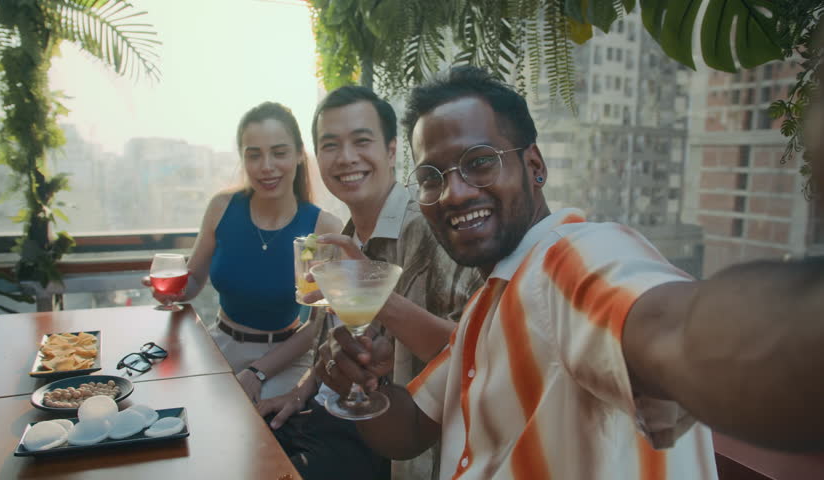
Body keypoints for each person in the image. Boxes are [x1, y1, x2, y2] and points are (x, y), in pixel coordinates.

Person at [316, 66, 824, 480]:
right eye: (432, 176)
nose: (454, 192)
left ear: (534, 165)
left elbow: (683, 335)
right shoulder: (489, 304)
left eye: (479, 162)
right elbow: (410, 432)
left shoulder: (570, 259)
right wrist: (366, 390)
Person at [255, 86, 483, 480]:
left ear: (392, 151)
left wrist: (381, 298)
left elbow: (474, 353)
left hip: (385, 440)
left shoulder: (428, 231)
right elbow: (327, 335)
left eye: (361, 141)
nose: (346, 158)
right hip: (325, 414)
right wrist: (299, 392)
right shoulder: (342, 236)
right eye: (330, 146)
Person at [146, 102, 343, 402]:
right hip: (220, 345)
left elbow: (317, 326)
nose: (266, 166)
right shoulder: (222, 208)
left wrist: (258, 371)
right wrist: (171, 291)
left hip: (284, 359)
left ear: (300, 154)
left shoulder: (322, 227)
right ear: (243, 159)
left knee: (258, 430)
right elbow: (194, 280)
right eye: (254, 155)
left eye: (279, 152)